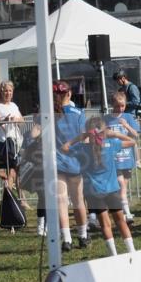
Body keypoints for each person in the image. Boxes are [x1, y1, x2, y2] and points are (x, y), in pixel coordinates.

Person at [63, 115, 136, 256]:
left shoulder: (82, 148)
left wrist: (79, 137)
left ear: (88, 132)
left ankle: (113, 253)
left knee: (105, 224)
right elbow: (132, 141)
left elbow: (65, 147)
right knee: (120, 221)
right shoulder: (111, 144)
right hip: (112, 189)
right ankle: (131, 250)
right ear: (104, 131)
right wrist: (114, 133)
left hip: (93, 191)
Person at [53, 81, 89, 250]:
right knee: (78, 201)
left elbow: (36, 134)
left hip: (57, 162)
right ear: (69, 93)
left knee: (61, 201)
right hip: (75, 162)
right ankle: (83, 236)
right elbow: (85, 137)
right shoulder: (79, 113)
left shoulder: (50, 113)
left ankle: (67, 239)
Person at [104, 90, 140, 223]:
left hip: (127, 157)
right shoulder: (106, 119)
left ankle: (119, 210)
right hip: (114, 158)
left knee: (123, 185)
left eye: (122, 106)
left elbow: (136, 135)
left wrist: (126, 125)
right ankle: (127, 213)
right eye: (117, 105)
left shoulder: (128, 117)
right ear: (112, 104)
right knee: (120, 184)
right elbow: (101, 135)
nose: (120, 108)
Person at [0, 80, 23, 188]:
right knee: (13, 169)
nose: (8, 93)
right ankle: (9, 194)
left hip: (16, 141)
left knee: (17, 170)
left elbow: (22, 121)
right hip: (5, 142)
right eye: (5, 91)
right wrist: (4, 120)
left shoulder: (14, 105)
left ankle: (20, 199)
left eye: (10, 91)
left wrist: (16, 119)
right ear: (1, 92)